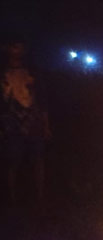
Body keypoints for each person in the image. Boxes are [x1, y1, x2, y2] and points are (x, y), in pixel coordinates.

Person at [1, 40, 51, 204]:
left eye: (20, 47)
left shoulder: (32, 72)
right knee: (13, 160)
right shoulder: (3, 72)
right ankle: (12, 197)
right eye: (14, 47)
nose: (17, 51)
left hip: (33, 119)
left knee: (38, 159)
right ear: (8, 49)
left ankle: (40, 196)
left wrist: (46, 124)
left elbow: (42, 97)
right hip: (12, 121)